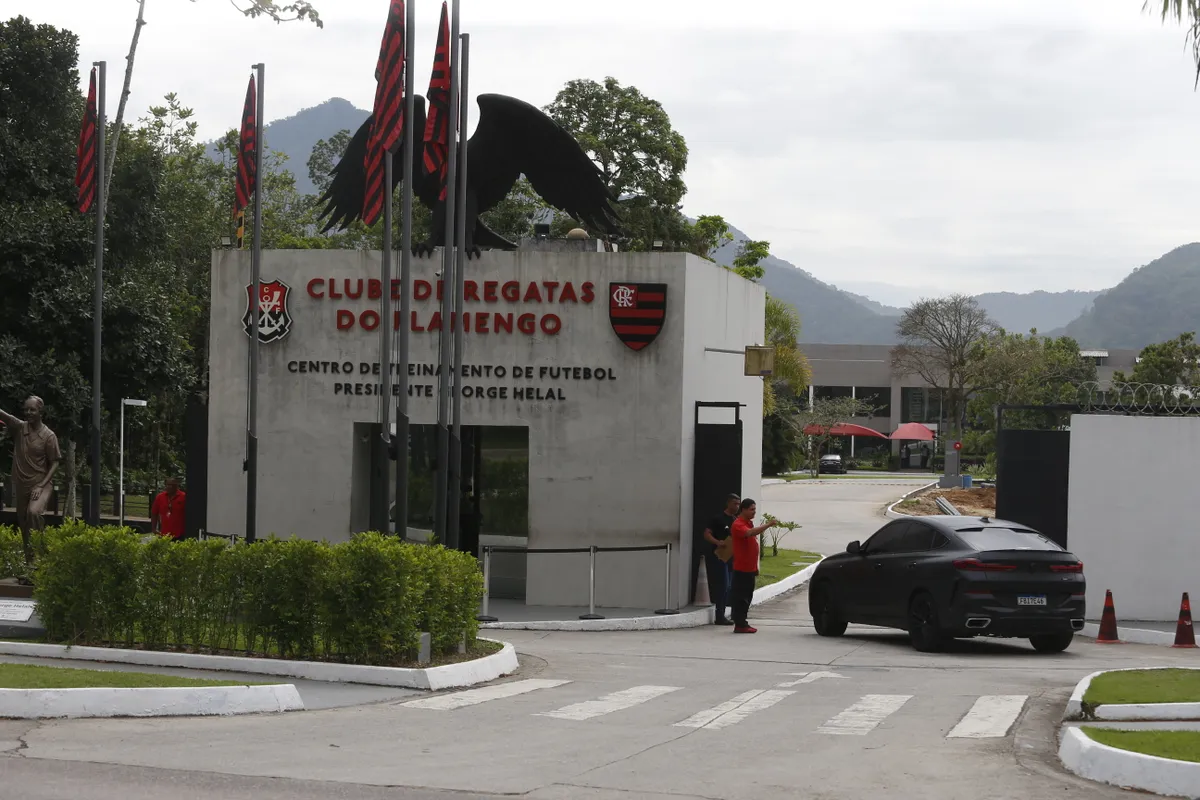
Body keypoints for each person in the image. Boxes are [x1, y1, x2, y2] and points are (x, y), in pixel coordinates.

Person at [0, 397, 61, 578]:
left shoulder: (48, 436)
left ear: (41, 412)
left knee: (34, 513)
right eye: (26, 409)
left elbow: (55, 462)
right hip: (22, 485)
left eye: (32, 410)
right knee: (24, 523)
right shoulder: (21, 428)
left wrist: (41, 485)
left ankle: (40, 561)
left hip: (41, 483)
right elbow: (5, 415)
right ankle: (31, 566)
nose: (28, 413)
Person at [729, 497, 778, 634]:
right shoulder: (738, 524)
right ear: (743, 510)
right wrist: (768, 525)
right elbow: (749, 533)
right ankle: (740, 623)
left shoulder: (748, 523)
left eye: (755, 509)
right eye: (751, 509)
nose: (754, 512)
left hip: (749, 568)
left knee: (747, 596)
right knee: (741, 598)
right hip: (742, 568)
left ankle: (742, 622)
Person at [701, 493, 740, 625]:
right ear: (728, 503)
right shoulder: (718, 519)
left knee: (731, 586)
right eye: (735, 503)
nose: (737, 506)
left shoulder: (736, 520)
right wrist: (717, 542)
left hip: (732, 557)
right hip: (720, 556)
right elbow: (707, 534)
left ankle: (732, 613)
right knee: (723, 585)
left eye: (738, 504)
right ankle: (719, 615)